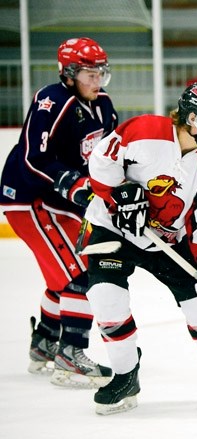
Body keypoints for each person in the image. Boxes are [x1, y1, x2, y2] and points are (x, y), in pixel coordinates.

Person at [83, 82, 197, 415]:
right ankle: (125, 375)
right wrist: (119, 193)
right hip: (112, 228)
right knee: (106, 298)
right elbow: (101, 163)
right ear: (193, 118)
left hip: (168, 240)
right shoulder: (145, 131)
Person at [0, 37, 117, 388]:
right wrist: (72, 183)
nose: (97, 82)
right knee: (81, 273)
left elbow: (109, 154)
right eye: (89, 74)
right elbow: (33, 159)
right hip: (29, 199)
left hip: (61, 203)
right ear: (69, 73)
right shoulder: (52, 100)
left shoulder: (103, 105)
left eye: (100, 74)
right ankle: (70, 354)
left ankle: (45, 342)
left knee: (61, 277)